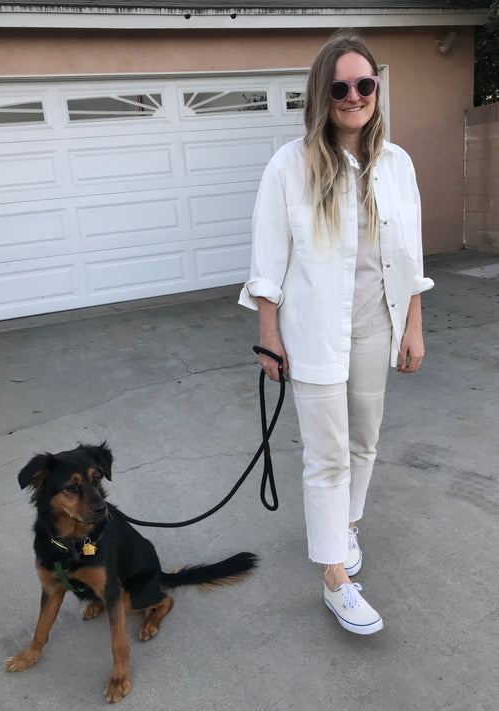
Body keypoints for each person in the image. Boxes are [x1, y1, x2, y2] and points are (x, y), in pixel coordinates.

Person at [239, 30, 434, 635]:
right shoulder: (289, 166)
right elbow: (267, 262)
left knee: (364, 443)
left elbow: (410, 257)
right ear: (321, 94)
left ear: (377, 88)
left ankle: (344, 527)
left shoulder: (397, 164)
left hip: (377, 326)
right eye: (340, 87)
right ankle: (334, 578)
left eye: (365, 84)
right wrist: (269, 336)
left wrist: (413, 326)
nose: (354, 96)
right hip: (313, 333)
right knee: (326, 456)